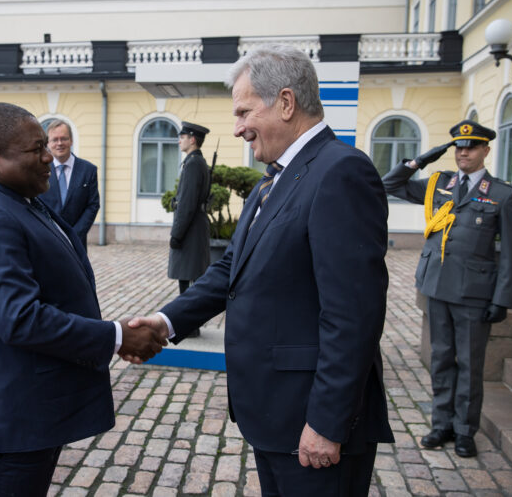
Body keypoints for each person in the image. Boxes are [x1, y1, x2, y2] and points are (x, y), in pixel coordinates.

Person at [127, 44, 394, 496]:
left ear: (286, 103)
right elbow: (233, 267)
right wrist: (167, 321)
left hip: (312, 423)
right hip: (274, 416)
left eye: (244, 112)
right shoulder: (275, 178)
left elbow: (353, 315)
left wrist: (327, 423)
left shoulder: (340, 172)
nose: (237, 129)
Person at [0, 102, 164, 495]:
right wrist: (115, 336)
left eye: (47, 144)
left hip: (31, 412)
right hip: (7, 421)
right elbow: (20, 318)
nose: (48, 157)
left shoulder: (21, 199)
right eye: (35, 150)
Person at [382, 120, 512, 458]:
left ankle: (464, 430)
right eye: (459, 147)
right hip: (437, 287)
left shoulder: (503, 195)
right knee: (442, 359)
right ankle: (441, 424)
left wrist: (502, 298)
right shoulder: (439, 183)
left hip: (474, 295)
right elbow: (389, 184)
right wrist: (419, 161)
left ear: (485, 151)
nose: (463, 152)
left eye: (471, 146)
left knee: (471, 365)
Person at [168, 122, 212, 337]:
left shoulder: (194, 164)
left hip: (190, 230)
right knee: (188, 279)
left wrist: (176, 234)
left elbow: (186, 204)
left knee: (189, 280)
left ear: (192, 139)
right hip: (194, 227)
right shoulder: (194, 162)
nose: (179, 140)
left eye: (182, 136)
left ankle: (189, 326)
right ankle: (189, 325)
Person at [38, 119, 100, 249]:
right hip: (47, 240)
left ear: (71, 141)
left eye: (64, 138)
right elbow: (35, 203)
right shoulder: (39, 170)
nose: (59, 143)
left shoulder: (88, 170)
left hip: (77, 243)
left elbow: (93, 204)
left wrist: (75, 234)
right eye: (55, 139)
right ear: (48, 143)